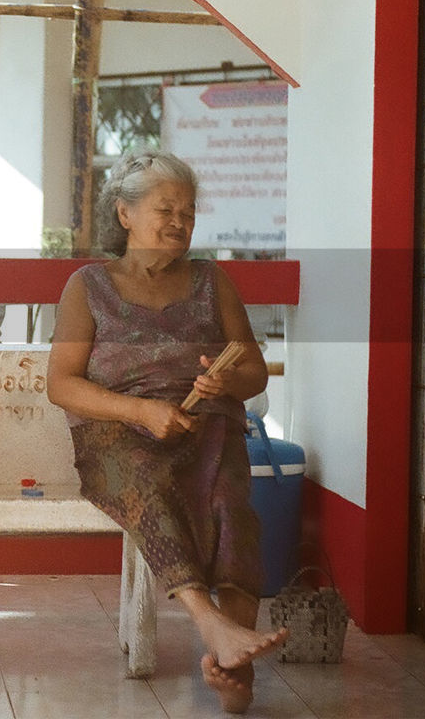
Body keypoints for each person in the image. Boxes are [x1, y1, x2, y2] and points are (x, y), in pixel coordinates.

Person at [46, 151, 286, 714]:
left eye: (189, 211)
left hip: (206, 428)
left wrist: (225, 382)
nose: (180, 222)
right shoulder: (88, 286)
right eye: (166, 209)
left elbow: (252, 371)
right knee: (149, 482)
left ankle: (234, 669)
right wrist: (140, 411)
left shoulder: (211, 281)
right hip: (116, 435)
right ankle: (216, 630)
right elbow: (61, 384)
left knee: (229, 501)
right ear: (125, 215)